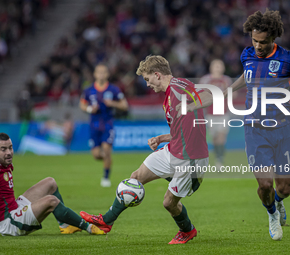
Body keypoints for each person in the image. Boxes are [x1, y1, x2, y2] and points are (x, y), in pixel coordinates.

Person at [185, 9, 290, 241]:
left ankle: (278, 203)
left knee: (284, 189)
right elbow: (244, 78)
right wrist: (209, 98)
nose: (258, 46)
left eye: (263, 42)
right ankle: (271, 214)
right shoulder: (247, 55)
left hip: (282, 129)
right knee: (265, 184)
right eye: (255, 40)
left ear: (273, 38)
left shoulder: (288, 59)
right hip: (254, 129)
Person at [80, 55, 209, 244]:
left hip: (191, 159)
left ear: (157, 75)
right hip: (174, 150)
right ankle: (106, 221)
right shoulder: (174, 91)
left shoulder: (177, 89)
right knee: (135, 177)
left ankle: (187, 230)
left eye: (148, 79)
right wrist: (161, 138)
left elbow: (210, 95)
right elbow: (180, 130)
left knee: (169, 203)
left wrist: (190, 106)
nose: (148, 85)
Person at [0, 133, 104, 236]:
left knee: (50, 182)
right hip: (10, 223)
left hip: (13, 209)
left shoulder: (4, 163)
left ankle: (65, 226)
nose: (9, 152)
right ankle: (89, 227)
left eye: (10, 148)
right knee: (51, 201)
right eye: (3, 149)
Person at [79, 64, 128, 187]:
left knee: (106, 149)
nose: (101, 74)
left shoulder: (113, 90)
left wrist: (113, 103)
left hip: (107, 124)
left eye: (103, 72)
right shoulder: (88, 90)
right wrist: (90, 109)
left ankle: (106, 178)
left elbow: (124, 105)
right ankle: (107, 159)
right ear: (95, 74)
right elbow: (82, 105)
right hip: (94, 125)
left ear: (107, 74)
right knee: (96, 155)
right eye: (98, 72)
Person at [199, 59, 233, 169]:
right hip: (210, 114)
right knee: (214, 138)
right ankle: (218, 157)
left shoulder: (226, 80)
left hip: (223, 113)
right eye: (216, 66)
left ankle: (220, 161)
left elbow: (234, 94)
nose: (218, 68)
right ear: (211, 67)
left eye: (220, 66)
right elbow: (199, 94)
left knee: (221, 137)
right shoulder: (206, 80)